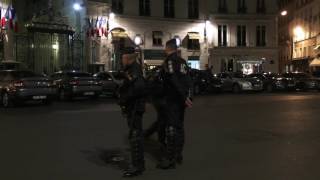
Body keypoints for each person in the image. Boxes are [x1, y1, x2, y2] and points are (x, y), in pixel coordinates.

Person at [157, 39, 193, 169]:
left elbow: (173, 80)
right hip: (181, 101)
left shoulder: (170, 61)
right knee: (179, 127)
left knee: (171, 128)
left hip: (172, 99)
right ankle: (178, 154)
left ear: (168, 48)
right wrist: (189, 96)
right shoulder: (183, 62)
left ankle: (170, 158)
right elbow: (189, 80)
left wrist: (183, 96)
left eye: (165, 48)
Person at [118, 47, 146, 177]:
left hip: (135, 107)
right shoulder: (131, 69)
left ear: (128, 58)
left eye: (123, 57)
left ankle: (137, 167)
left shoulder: (134, 69)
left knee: (135, 137)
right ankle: (139, 165)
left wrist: (124, 98)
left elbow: (139, 88)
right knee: (135, 136)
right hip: (133, 107)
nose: (121, 60)